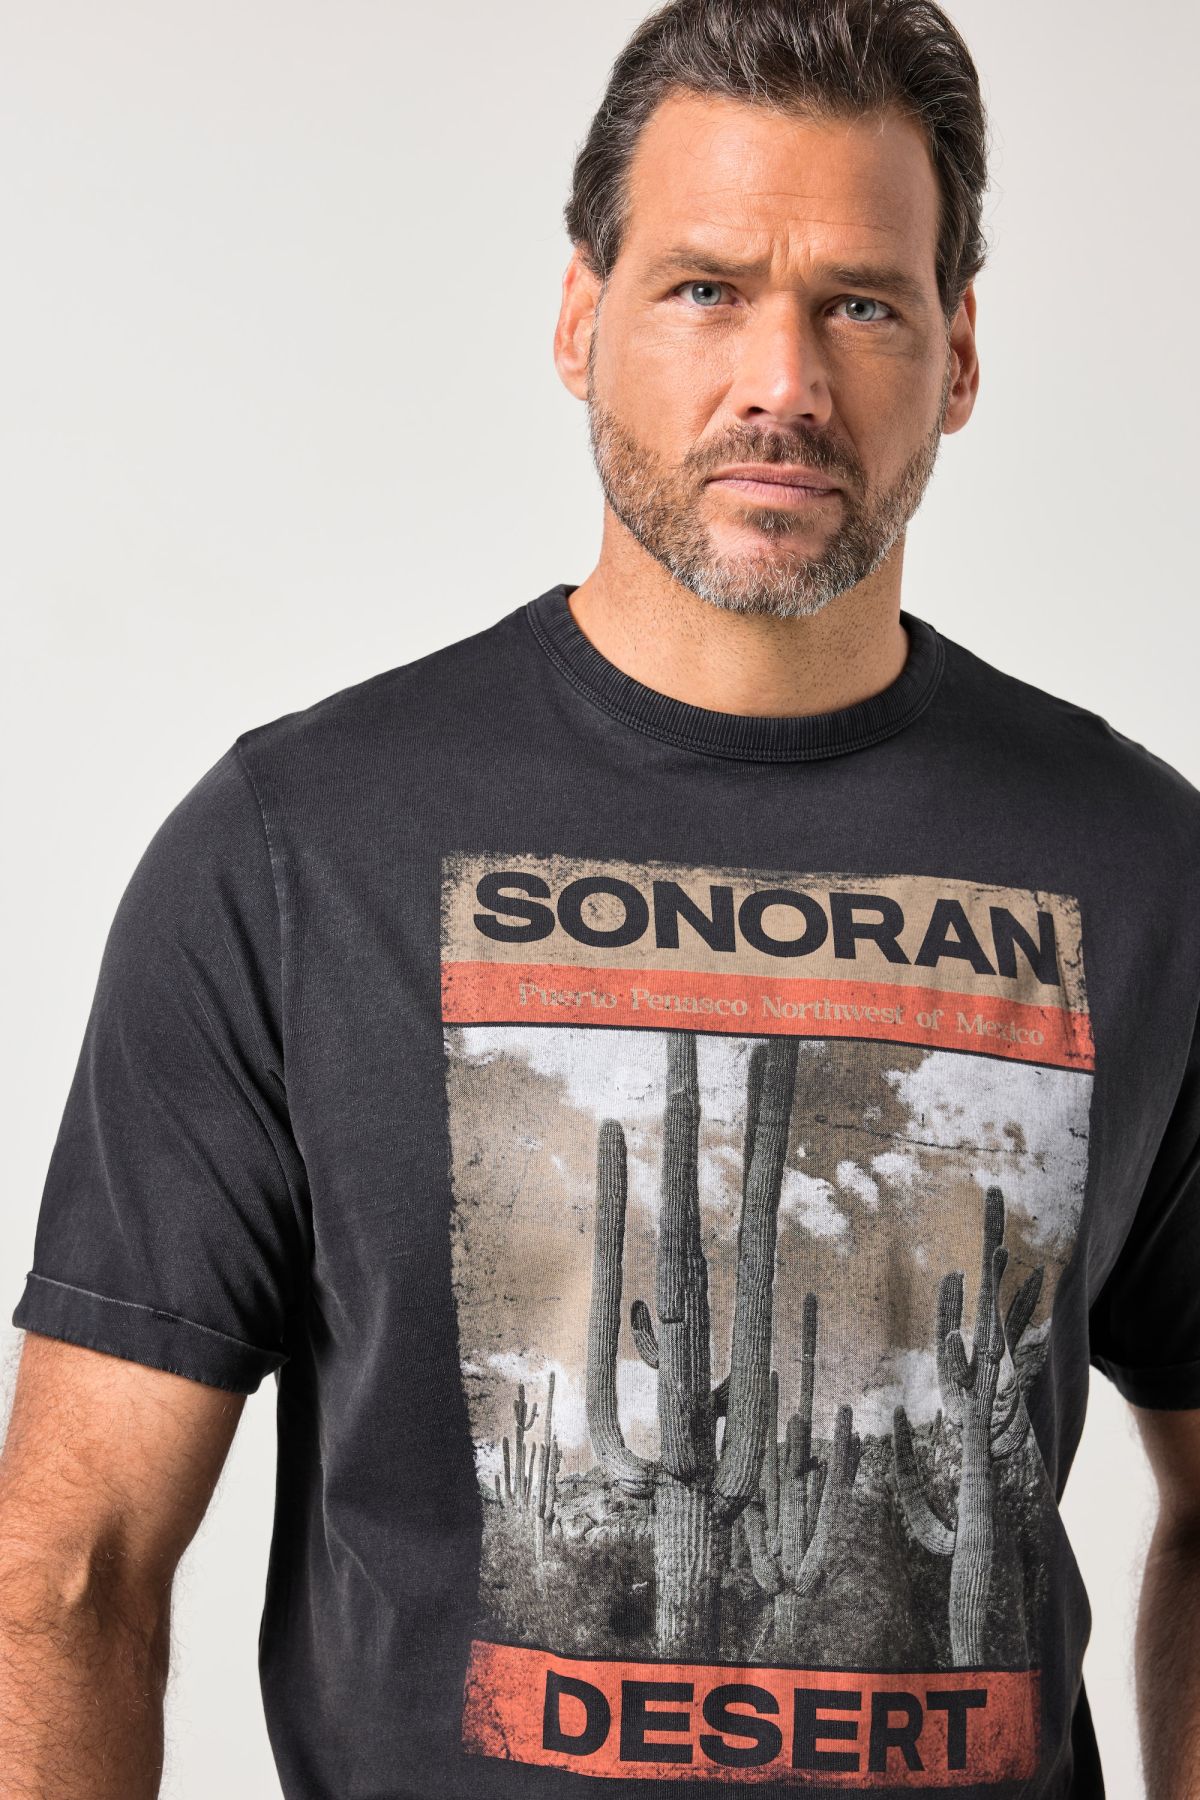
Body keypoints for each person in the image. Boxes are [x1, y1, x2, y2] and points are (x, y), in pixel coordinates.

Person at [2, 0, 1199, 1794]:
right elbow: (74, 1566)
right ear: (581, 320)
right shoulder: (294, 850)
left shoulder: (1145, 869)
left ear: (959, 356)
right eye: (706, 288)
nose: (783, 382)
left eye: (862, 304)